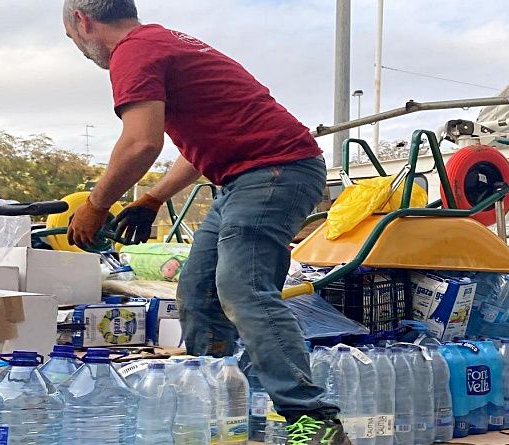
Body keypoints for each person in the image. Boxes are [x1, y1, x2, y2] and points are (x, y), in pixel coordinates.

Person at [60, 1, 349, 444]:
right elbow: (196, 147)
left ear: (82, 20)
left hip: (273, 171)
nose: (79, 49)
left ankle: (311, 421)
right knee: (197, 292)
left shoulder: (133, 52)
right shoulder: (163, 43)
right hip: (247, 175)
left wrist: (96, 205)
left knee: (243, 288)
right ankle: (228, 408)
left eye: (71, 39)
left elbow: (140, 143)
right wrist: (153, 199)